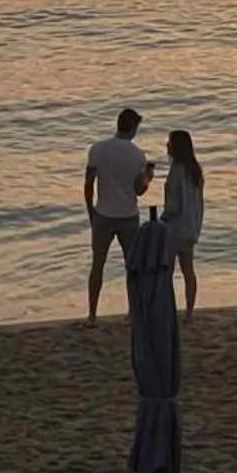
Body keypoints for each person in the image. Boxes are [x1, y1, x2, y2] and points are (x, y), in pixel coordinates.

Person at [84, 106, 153, 320]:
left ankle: (92, 314)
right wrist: (149, 176)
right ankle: (133, 311)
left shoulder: (98, 149)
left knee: (98, 265)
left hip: (103, 213)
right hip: (128, 215)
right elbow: (139, 190)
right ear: (132, 128)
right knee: (132, 266)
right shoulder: (137, 155)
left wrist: (91, 210)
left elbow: (88, 183)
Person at [161, 129, 205, 317]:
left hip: (175, 228)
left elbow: (173, 206)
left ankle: (168, 310)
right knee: (188, 270)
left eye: (169, 142)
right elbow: (198, 203)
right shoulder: (195, 170)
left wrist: (161, 220)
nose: (166, 145)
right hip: (191, 227)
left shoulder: (176, 171)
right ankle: (189, 310)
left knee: (167, 272)